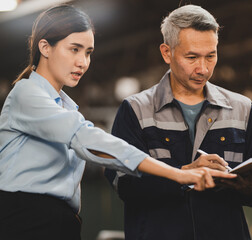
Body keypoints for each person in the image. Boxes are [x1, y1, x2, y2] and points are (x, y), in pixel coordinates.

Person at [0, 4, 236, 240]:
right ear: (45, 47)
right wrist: (177, 175)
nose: (82, 62)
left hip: (60, 222)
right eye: (74, 49)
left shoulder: (65, 107)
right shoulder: (26, 94)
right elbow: (87, 139)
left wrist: (180, 171)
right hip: (25, 220)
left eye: (88, 52)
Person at [105, 4, 252, 240]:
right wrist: (183, 174)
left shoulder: (242, 109)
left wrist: (251, 188)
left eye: (211, 56)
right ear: (167, 53)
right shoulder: (136, 110)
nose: (203, 69)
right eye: (192, 57)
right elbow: (122, 182)